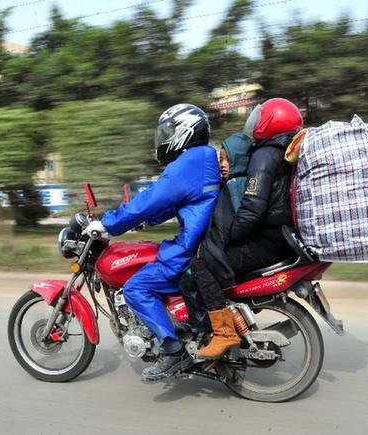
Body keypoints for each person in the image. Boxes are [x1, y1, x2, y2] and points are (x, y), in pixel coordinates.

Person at [83, 103, 220, 381]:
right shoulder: (202, 158)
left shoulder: (188, 163)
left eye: (169, 131)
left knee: (136, 288)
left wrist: (108, 223)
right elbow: (175, 202)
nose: (164, 138)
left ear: (185, 131)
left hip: (188, 249)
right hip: (201, 244)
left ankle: (172, 350)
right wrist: (147, 221)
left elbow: (153, 198)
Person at [190, 98, 303, 359]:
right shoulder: (283, 151)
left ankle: (224, 333)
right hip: (279, 236)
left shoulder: (265, 155)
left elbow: (252, 206)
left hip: (268, 240)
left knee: (202, 264)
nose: (254, 122)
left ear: (271, 121)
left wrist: (229, 237)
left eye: (260, 116)